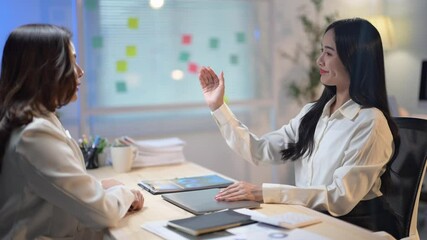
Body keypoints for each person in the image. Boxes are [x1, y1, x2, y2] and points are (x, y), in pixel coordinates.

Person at [198, 18, 399, 236]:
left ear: (354, 60)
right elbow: (259, 150)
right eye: (322, 51)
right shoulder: (313, 114)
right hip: (312, 219)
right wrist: (218, 107)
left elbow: (340, 198)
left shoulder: (370, 123)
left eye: (329, 53)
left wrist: (264, 192)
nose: (319, 60)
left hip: (356, 227)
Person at [0, 24, 144, 239]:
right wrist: (128, 194)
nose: (80, 71)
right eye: (72, 61)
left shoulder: (37, 119)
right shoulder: (34, 135)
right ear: (45, 69)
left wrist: (98, 186)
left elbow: (57, 185)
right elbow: (103, 213)